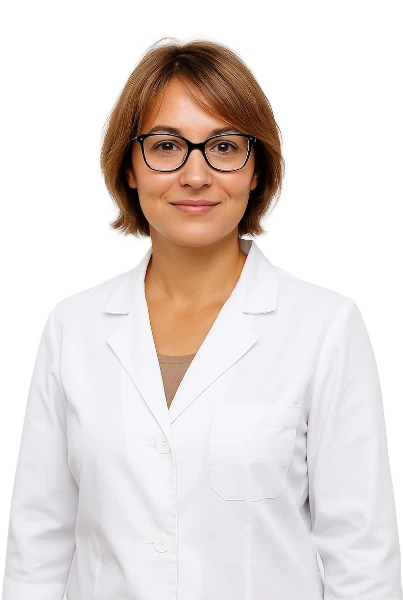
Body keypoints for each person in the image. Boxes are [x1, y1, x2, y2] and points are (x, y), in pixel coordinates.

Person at [2, 32, 401, 600]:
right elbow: (36, 551)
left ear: (257, 168)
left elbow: (362, 560)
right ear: (129, 167)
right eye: (167, 146)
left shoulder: (324, 327)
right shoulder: (74, 326)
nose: (195, 175)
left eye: (224, 146)